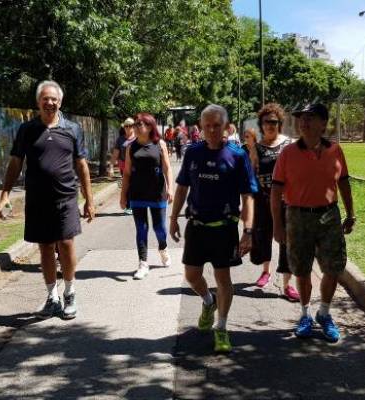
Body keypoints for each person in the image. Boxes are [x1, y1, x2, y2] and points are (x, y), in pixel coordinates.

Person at [0, 80, 95, 320]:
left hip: (66, 197)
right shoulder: (27, 130)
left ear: (60, 102)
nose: (50, 103)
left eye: (54, 99)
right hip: (38, 200)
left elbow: (81, 165)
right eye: (45, 99)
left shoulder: (72, 129)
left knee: (67, 243)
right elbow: (16, 162)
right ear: (38, 102)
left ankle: (70, 292)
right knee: (46, 247)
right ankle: (53, 296)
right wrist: (5, 194)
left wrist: (89, 200)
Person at [170, 104, 258, 353]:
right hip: (197, 226)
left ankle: (221, 327)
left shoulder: (237, 156)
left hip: (224, 228)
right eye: (206, 125)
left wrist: (248, 231)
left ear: (226, 128)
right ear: (200, 127)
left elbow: (248, 196)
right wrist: (173, 217)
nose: (211, 130)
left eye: (216, 125)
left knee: (223, 278)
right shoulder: (193, 153)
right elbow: (182, 188)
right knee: (192, 275)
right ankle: (208, 302)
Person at [271, 103, 355, 342]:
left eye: (311, 117)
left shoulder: (335, 151)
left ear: (323, 123)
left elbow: (344, 184)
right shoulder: (288, 153)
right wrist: (277, 225)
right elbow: (276, 192)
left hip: (329, 215)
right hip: (297, 216)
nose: (304, 122)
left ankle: (324, 313)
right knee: (302, 268)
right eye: (301, 118)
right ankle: (306, 314)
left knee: (334, 267)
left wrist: (351, 214)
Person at [243, 104, 299, 302]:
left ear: (280, 124)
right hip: (263, 199)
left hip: (288, 200)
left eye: (274, 122)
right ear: (261, 125)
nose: (270, 126)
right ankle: (265, 271)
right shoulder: (256, 148)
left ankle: (287, 284)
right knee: (263, 234)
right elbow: (251, 173)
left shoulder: (290, 144)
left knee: (287, 240)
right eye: (266, 122)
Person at [120, 112, 174, 279]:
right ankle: (143, 264)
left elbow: (167, 168)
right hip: (137, 193)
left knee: (159, 228)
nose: (136, 127)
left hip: (157, 193)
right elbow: (127, 173)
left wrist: (170, 188)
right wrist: (123, 196)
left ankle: (163, 247)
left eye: (139, 124)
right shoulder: (131, 147)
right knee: (141, 229)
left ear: (150, 126)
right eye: (135, 124)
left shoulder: (160, 144)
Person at [109, 117, 136, 214]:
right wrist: (111, 167)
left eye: (130, 126)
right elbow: (115, 154)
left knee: (135, 186)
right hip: (124, 166)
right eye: (126, 126)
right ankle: (129, 206)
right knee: (128, 185)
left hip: (136, 166)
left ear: (134, 127)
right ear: (124, 127)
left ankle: (136, 205)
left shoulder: (138, 138)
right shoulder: (120, 140)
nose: (128, 128)